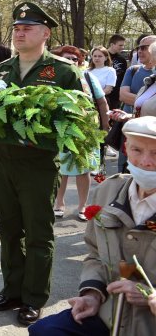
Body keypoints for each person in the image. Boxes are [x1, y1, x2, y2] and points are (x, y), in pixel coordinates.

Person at [0, 2, 84, 326]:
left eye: (27, 28)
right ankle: (12, 289)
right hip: (2, 160)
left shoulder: (64, 72)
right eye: (16, 28)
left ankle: (34, 297)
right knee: (8, 230)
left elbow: (78, 119)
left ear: (46, 33)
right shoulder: (2, 70)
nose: (19, 33)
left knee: (38, 232)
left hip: (38, 166)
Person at [29, 116, 156, 335]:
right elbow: (96, 254)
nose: (146, 161)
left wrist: (149, 295)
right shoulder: (108, 190)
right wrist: (92, 294)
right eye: (137, 150)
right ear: (125, 148)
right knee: (45, 331)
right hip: (110, 312)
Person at [52, 46, 110, 221]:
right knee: (60, 169)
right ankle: (58, 203)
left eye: (75, 59)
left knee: (83, 170)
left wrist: (104, 128)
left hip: (85, 129)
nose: (71, 62)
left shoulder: (87, 77)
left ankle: (82, 206)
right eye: (67, 58)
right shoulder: (53, 78)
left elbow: (101, 102)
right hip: (59, 128)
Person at [119, 35, 156, 172]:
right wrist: (129, 116)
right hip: (137, 140)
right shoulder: (150, 81)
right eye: (138, 47)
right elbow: (123, 96)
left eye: (145, 48)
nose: (140, 51)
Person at [107, 34, 128, 109]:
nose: (122, 47)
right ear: (112, 44)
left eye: (123, 45)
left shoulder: (122, 60)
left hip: (116, 95)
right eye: (120, 45)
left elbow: (124, 78)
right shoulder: (100, 56)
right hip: (101, 93)